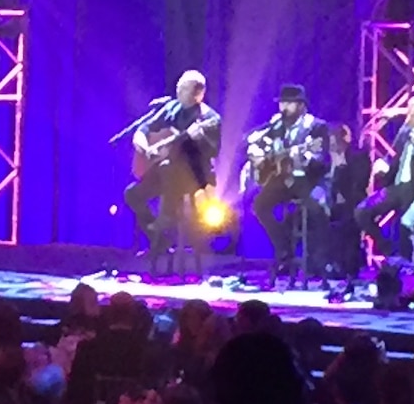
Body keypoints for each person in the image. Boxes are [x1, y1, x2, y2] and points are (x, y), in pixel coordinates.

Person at [124, 71, 221, 253]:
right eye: (179, 87)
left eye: (184, 89)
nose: (179, 92)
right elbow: (146, 126)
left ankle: (167, 217)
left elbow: (214, 151)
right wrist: (141, 139)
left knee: (168, 166)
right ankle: (159, 241)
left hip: (194, 176)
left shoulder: (210, 119)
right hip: (165, 173)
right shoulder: (171, 108)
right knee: (131, 194)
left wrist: (200, 139)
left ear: (198, 94)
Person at [242, 85, 329, 276]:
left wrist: (303, 157)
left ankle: (318, 262)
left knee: (316, 210)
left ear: (301, 105)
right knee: (258, 204)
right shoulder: (276, 126)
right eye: (281, 103)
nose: (283, 107)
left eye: (288, 103)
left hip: (307, 180)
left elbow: (322, 160)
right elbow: (255, 144)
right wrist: (258, 154)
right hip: (282, 179)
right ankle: (283, 250)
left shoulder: (316, 127)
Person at [355, 95, 414, 262]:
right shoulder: (404, 131)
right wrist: (383, 165)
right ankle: (386, 247)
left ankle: (409, 265)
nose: (407, 117)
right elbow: (393, 157)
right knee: (362, 211)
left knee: (405, 224)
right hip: (397, 186)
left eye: (411, 113)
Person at [322, 124, 371, 278]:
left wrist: (340, 167)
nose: (333, 146)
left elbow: (358, 184)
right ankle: (323, 266)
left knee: (347, 225)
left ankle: (348, 268)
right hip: (332, 203)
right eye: (330, 143)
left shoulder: (358, 156)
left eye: (335, 141)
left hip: (352, 201)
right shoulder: (327, 158)